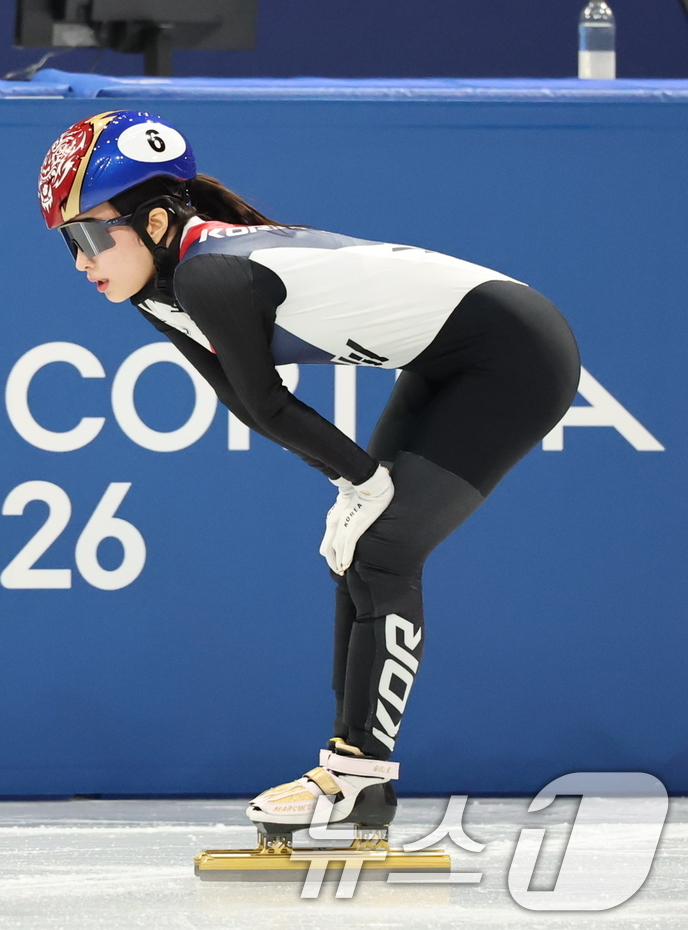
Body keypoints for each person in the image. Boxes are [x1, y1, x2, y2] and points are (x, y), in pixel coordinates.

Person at [37, 110, 580, 844]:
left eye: (91, 236)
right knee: (362, 551)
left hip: (514, 352)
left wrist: (360, 480)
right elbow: (241, 402)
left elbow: (266, 400)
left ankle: (357, 777)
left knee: (385, 550)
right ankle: (357, 781)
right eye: (69, 242)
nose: (80, 261)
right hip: (450, 358)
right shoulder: (158, 287)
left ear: (158, 220)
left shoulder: (207, 272)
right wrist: (352, 481)